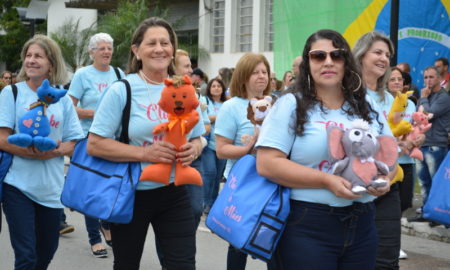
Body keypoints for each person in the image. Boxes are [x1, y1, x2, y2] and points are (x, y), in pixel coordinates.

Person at [256, 29, 393, 270]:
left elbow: (387, 155)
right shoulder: (291, 104)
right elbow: (267, 163)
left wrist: (383, 178)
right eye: (319, 56)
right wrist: (326, 181)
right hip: (307, 225)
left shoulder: (365, 103)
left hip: (362, 221)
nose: (328, 62)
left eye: (336, 55)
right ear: (308, 64)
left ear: (346, 62)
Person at [87, 17, 204, 269]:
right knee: (127, 264)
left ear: (173, 49)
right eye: (151, 43)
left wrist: (194, 148)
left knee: (183, 264)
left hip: (175, 192)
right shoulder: (122, 89)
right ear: (136, 50)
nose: (159, 48)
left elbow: (199, 136)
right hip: (130, 192)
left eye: (165, 42)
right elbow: (94, 144)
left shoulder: (185, 88)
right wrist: (145, 153)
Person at [0, 34, 84, 270]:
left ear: (51, 64)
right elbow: (2, 139)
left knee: (45, 254)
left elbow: (73, 142)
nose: (31, 60)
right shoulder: (12, 93)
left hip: (51, 189)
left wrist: (52, 152)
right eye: (28, 55)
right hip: (17, 186)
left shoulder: (63, 99)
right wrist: (30, 153)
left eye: (38, 56)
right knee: (26, 256)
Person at [67, 32, 125, 258]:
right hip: (86, 138)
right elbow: (69, 107)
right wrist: (96, 113)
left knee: (111, 187)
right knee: (89, 189)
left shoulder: (119, 74)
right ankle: (94, 238)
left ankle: (107, 224)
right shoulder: (83, 75)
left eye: (109, 48)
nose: (106, 52)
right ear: (92, 52)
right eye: (101, 48)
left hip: (113, 140)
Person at [353, 31, 407, 269]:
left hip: (388, 186)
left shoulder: (391, 98)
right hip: (353, 190)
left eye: (387, 54)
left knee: (387, 259)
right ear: (361, 54)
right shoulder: (346, 94)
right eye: (377, 52)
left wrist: (406, 142)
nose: (384, 58)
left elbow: (392, 137)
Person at [214, 52, 272, 270]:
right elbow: (221, 150)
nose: (261, 77)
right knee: (238, 241)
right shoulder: (231, 107)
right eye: (255, 72)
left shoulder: (274, 103)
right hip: (242, 182)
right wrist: (249, 147)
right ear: (243, 77)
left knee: (271, 239)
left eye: (264, 72)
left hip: (271, 182)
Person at [409, 66, 450, 222]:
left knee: (435, 181)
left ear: (440, 78)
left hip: (436, 146)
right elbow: (416, 118)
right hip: (422, 144)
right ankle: (426, 212)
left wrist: (424, 98)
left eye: (431, 77)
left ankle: (436, 213)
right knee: (424, 181)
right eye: (425, 77)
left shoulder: (443, 97)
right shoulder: (425, 96)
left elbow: (427, 117)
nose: (428, 81)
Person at [386, 67, 417, 260]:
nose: (397, 82)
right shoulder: (384, 102)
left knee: (405, 202)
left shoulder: (411, 103)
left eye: (399, 79)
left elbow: (415, 126)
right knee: (390, 206)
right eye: (392, 79)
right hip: (389, 162)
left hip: (408, 159)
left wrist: (418, 138)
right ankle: (393, 244)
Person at [202, 78, 227, 214]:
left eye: (219, 86)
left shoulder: (227, 103)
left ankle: (212, 202)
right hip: (208, 143)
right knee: (210, 172)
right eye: (213, 86)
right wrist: (218, 118)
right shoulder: (205, 102)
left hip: (223, 144)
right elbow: (203, 117)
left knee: (217, 176)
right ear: (209, 89)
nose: (216, 88)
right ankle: (205, 201)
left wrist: (214, 117)